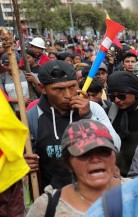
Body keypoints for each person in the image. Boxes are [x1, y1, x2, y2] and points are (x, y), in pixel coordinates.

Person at [26, 60, 121, 190]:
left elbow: (116, 145)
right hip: (55, 199)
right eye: (58, 89)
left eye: (72, 86)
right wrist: (24, 163)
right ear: (42, 88)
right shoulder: (32, 117)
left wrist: (88, 117)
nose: (68, 95)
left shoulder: (92, 107)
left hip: (96, 193)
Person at [107, 71, 138, 176]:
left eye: (121, 96)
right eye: (112, 97)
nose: (116, 100)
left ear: (134, 92)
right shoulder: (109, 113)